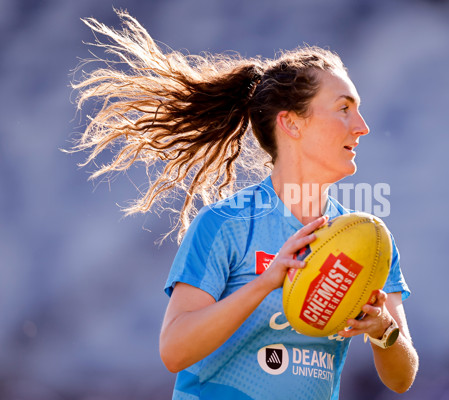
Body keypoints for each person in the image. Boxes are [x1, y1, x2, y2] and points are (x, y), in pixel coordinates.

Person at [72, 10, 418, 400]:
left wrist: (383, 330)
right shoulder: (227, 224)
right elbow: (173, 350)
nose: (362, 125)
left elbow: (401, 379)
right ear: (292, 124)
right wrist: (268, 281)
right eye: (344, 108)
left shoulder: (368, 241)